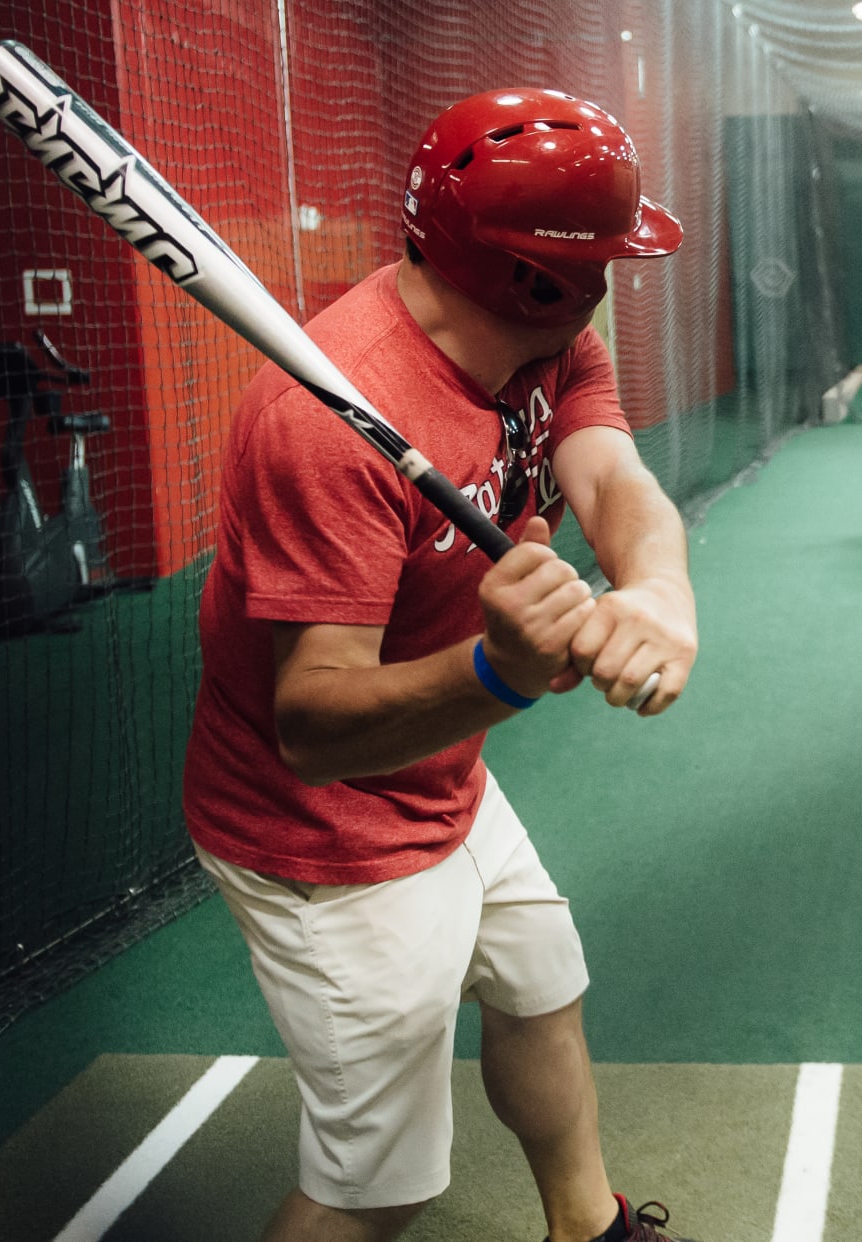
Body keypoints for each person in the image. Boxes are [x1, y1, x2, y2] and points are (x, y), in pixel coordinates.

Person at [181, 88, 701, 1242]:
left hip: (443, 770)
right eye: (603, 258)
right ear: (536, 278)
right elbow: (309, 729)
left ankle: (589, 1228)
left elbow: (614, 483)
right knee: (382, 1184)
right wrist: (501, 672)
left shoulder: (553, 340)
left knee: (538, 983)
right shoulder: (324, 420)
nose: (612, 279)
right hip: (321, 831)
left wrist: (658, 591)